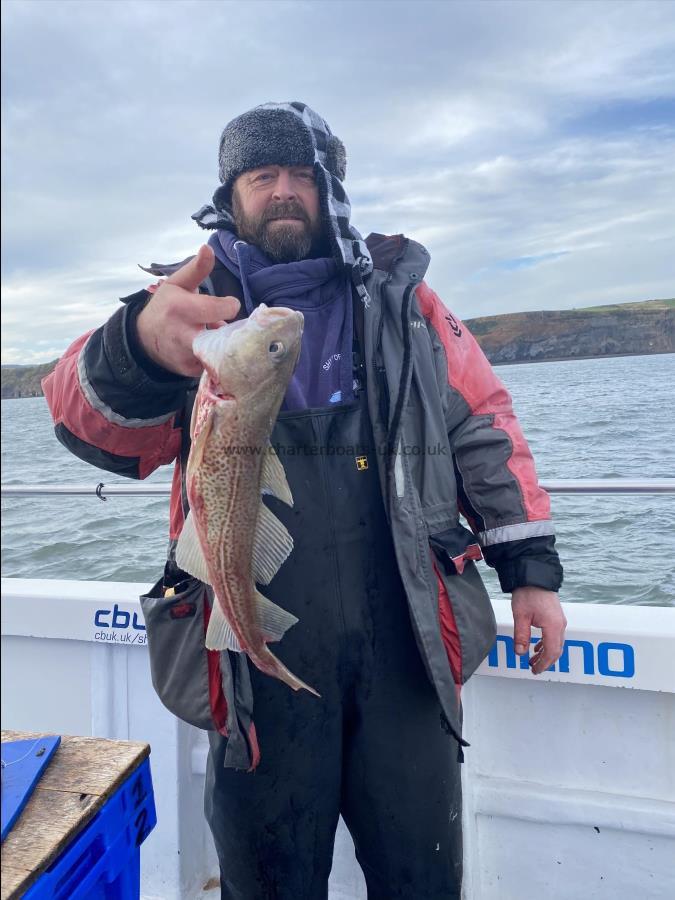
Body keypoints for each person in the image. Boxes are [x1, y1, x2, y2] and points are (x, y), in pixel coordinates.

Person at [43, 101, 566, 899]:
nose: (283, 191)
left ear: (328, 190)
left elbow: (482, 424)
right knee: (269, 878)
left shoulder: (405, 300)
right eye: (262, 176)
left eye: (300, 175)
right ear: (231, 192)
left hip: (406, 636)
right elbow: (89, 427)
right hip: (250, 653)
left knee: (420, 873)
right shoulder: (186, 305)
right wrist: (138, 348)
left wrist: (528, 565)